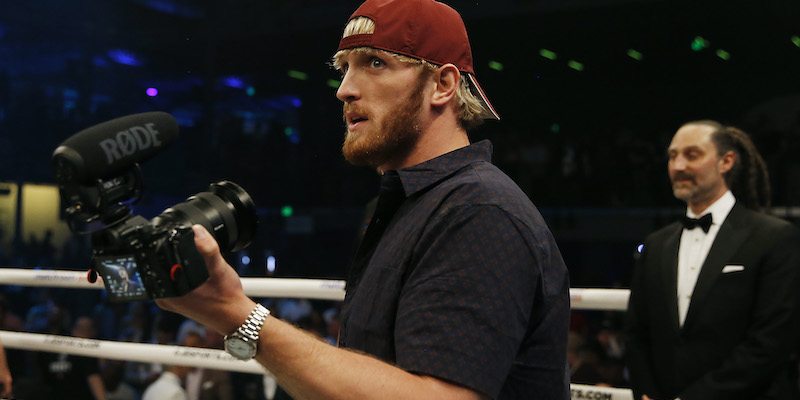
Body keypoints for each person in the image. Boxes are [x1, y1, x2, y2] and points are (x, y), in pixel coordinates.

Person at [158, 0, 571, 399]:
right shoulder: (406, 205)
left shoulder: (478, 211)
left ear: (442, 85)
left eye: (375, 63)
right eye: (344, 68)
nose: (344, 90)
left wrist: (237, 315)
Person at [625, 120, 800, 400]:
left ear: (726, 161)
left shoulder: (775, 238)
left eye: (692, 155)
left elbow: (770, 343)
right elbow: (637, 332)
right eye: (672, 156)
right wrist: (646, 392)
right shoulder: (657, 244)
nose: (678, 166)